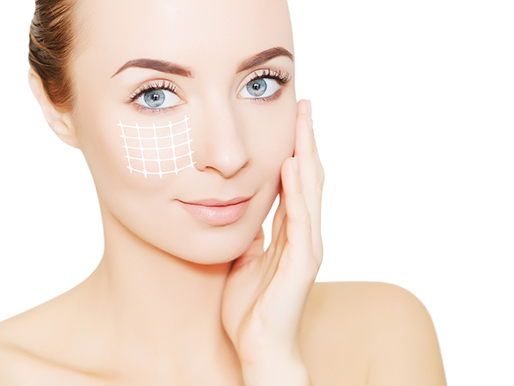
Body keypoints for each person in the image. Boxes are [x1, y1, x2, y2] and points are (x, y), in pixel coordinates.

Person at [0, 0, 446, 384]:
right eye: (156, 95)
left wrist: (275, 368)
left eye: (260, 84)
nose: (230, 155)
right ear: (56, 108)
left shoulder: (382, 337)